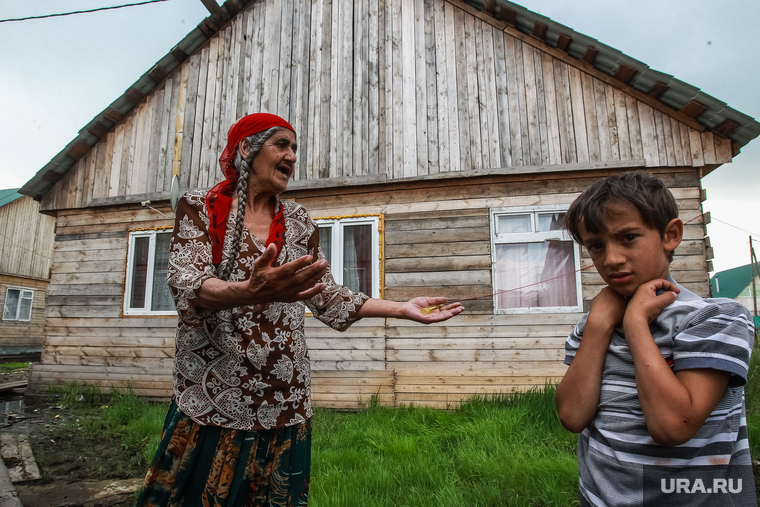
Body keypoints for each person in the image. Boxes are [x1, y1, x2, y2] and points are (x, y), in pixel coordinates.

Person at [135, 113, 463, 507]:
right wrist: (247, 290)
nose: (292, 155)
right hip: (216, 395)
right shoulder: (200, 208)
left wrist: (401, 308)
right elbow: (189, 285)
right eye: (282, 145)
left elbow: (324, 295)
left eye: (295, 148)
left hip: (284, 395)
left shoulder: (299, 222)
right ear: (246, 149)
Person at [555, 172, 756, 507]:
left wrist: (636, 324)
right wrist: (600, 324)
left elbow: (673, 427)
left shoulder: (715, 318)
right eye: (596, 246)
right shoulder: (594, 326)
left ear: (670, 235)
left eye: (628, 237)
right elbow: (573, 416)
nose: (611, 259)